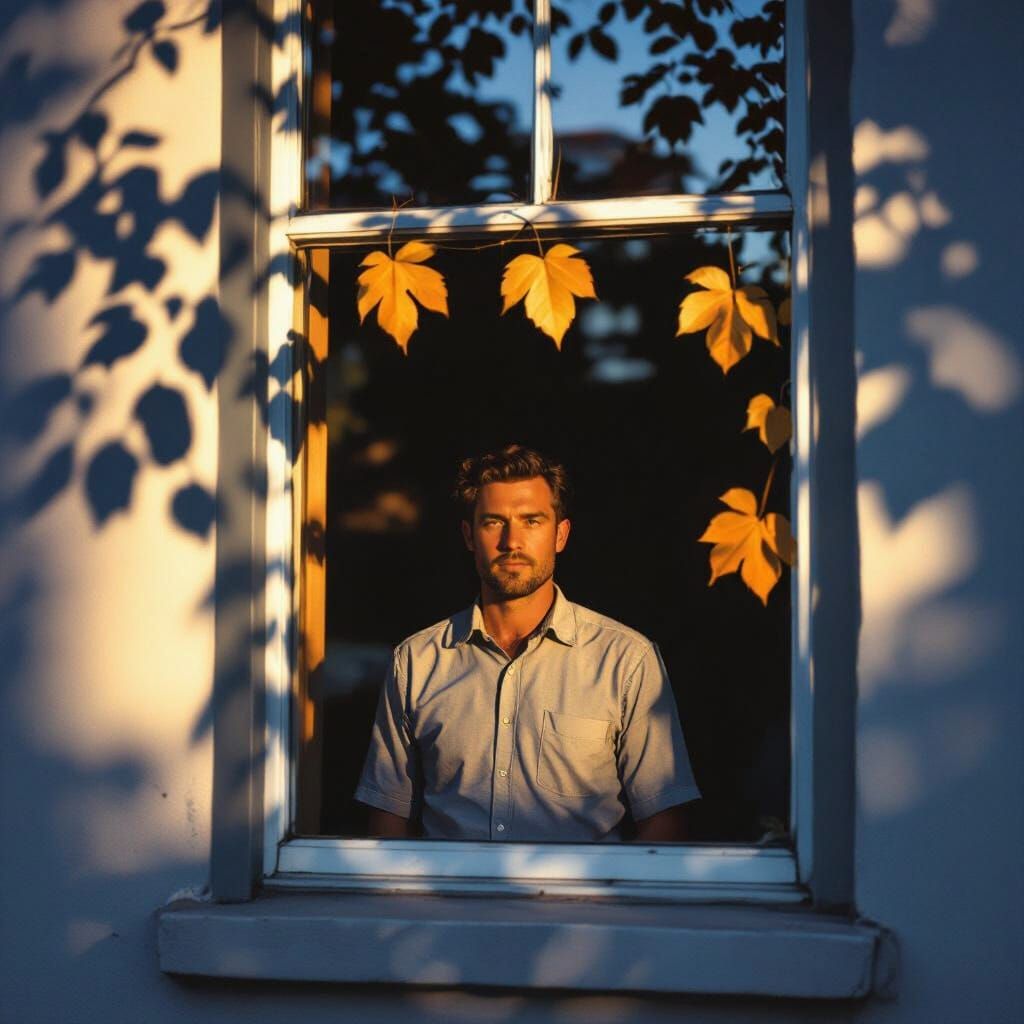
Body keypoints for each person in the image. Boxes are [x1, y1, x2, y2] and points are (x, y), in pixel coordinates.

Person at [355, 444, 700, 841]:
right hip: (448, 901)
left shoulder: (626, 660)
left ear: (561, 534)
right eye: (493, 522)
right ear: (469, 535)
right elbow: (388, 819)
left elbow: (663, 821)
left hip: (581, 904)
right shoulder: (416, 661)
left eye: (531, 521)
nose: (511, 541)